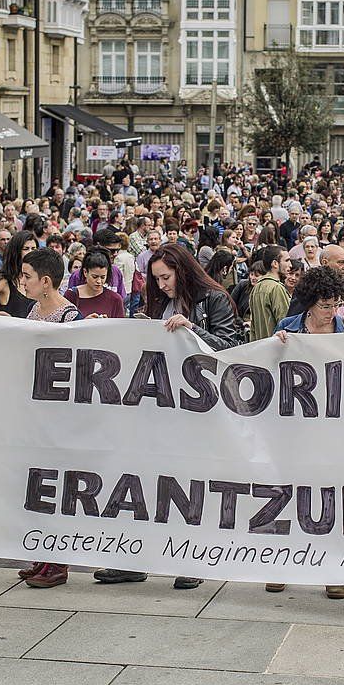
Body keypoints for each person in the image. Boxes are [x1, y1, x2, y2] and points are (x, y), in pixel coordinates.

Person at [93, 243, 240, 590]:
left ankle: (193, 557)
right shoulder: (159, 300)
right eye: (156, 278)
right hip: (158, 403)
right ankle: (133, 558)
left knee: (190, 482)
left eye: (165, 277)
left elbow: (229, 347)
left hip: (197, 407)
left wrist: (191, 330)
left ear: (183, 271)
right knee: (142, 478)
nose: (160, 285)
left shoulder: (213, 299)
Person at [267, 266, 344, 600]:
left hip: (334, 427)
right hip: (295, 428)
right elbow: (268, 371)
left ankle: (331, 570)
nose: (331, 312)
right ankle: (281, 564)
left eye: (336, 304)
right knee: (288, 493)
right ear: (309, 303)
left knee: (331, 496)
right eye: (325, 306)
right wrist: (274, 348)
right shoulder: (287, 328)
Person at [13, 248, 84, 588]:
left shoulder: (70, 316)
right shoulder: (34, 309)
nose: (22, 281)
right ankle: (43, 555)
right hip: (35, 411)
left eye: (26, 276)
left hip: (58, 415)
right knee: (38, 485)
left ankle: (58, 562)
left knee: (56, 485)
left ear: (45, 281)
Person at [65, 248, 126, 318]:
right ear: (85, 272)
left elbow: (119, 327)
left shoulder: (115, 299)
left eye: (103, 277)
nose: (99, 281)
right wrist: (83, 322)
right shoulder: (71, 295)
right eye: (94, 277)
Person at [249, 244, 291, 340]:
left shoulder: (257, 287)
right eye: (287, 260)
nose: (290, 265)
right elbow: (286, 324)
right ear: (275, 263)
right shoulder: (276, 288)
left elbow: (253, 328)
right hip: (276, 349)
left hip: (262, 349)